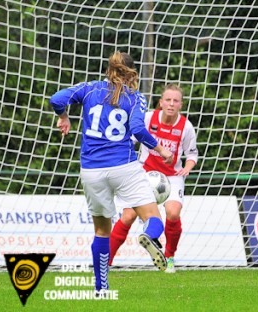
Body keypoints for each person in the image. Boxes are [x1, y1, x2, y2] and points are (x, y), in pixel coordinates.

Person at [50, 51, 174, 292]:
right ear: (132, 72)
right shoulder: (135, 97)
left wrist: (64, 116)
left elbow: (56, 98)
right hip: (123, 167)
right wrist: (161, 150)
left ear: (109, 70)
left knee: (101, 231)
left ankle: (101, 288)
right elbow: (138, 129)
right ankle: (148, 235)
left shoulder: (90, 88)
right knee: (154, 218)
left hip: (92, 171)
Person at [108, 84, 198, 273]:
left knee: (173, 212)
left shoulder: (186, 127)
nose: (171, 104)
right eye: (168, 100)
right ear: (160, 102)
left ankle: (170, 257)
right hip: (144, 173)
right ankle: (106, 261)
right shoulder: (148, 118)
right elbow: (129, 140)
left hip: (171, 177)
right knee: (128, 215)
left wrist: (187, 168)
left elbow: (192, 155)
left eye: (175, 101)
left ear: (181, 105)